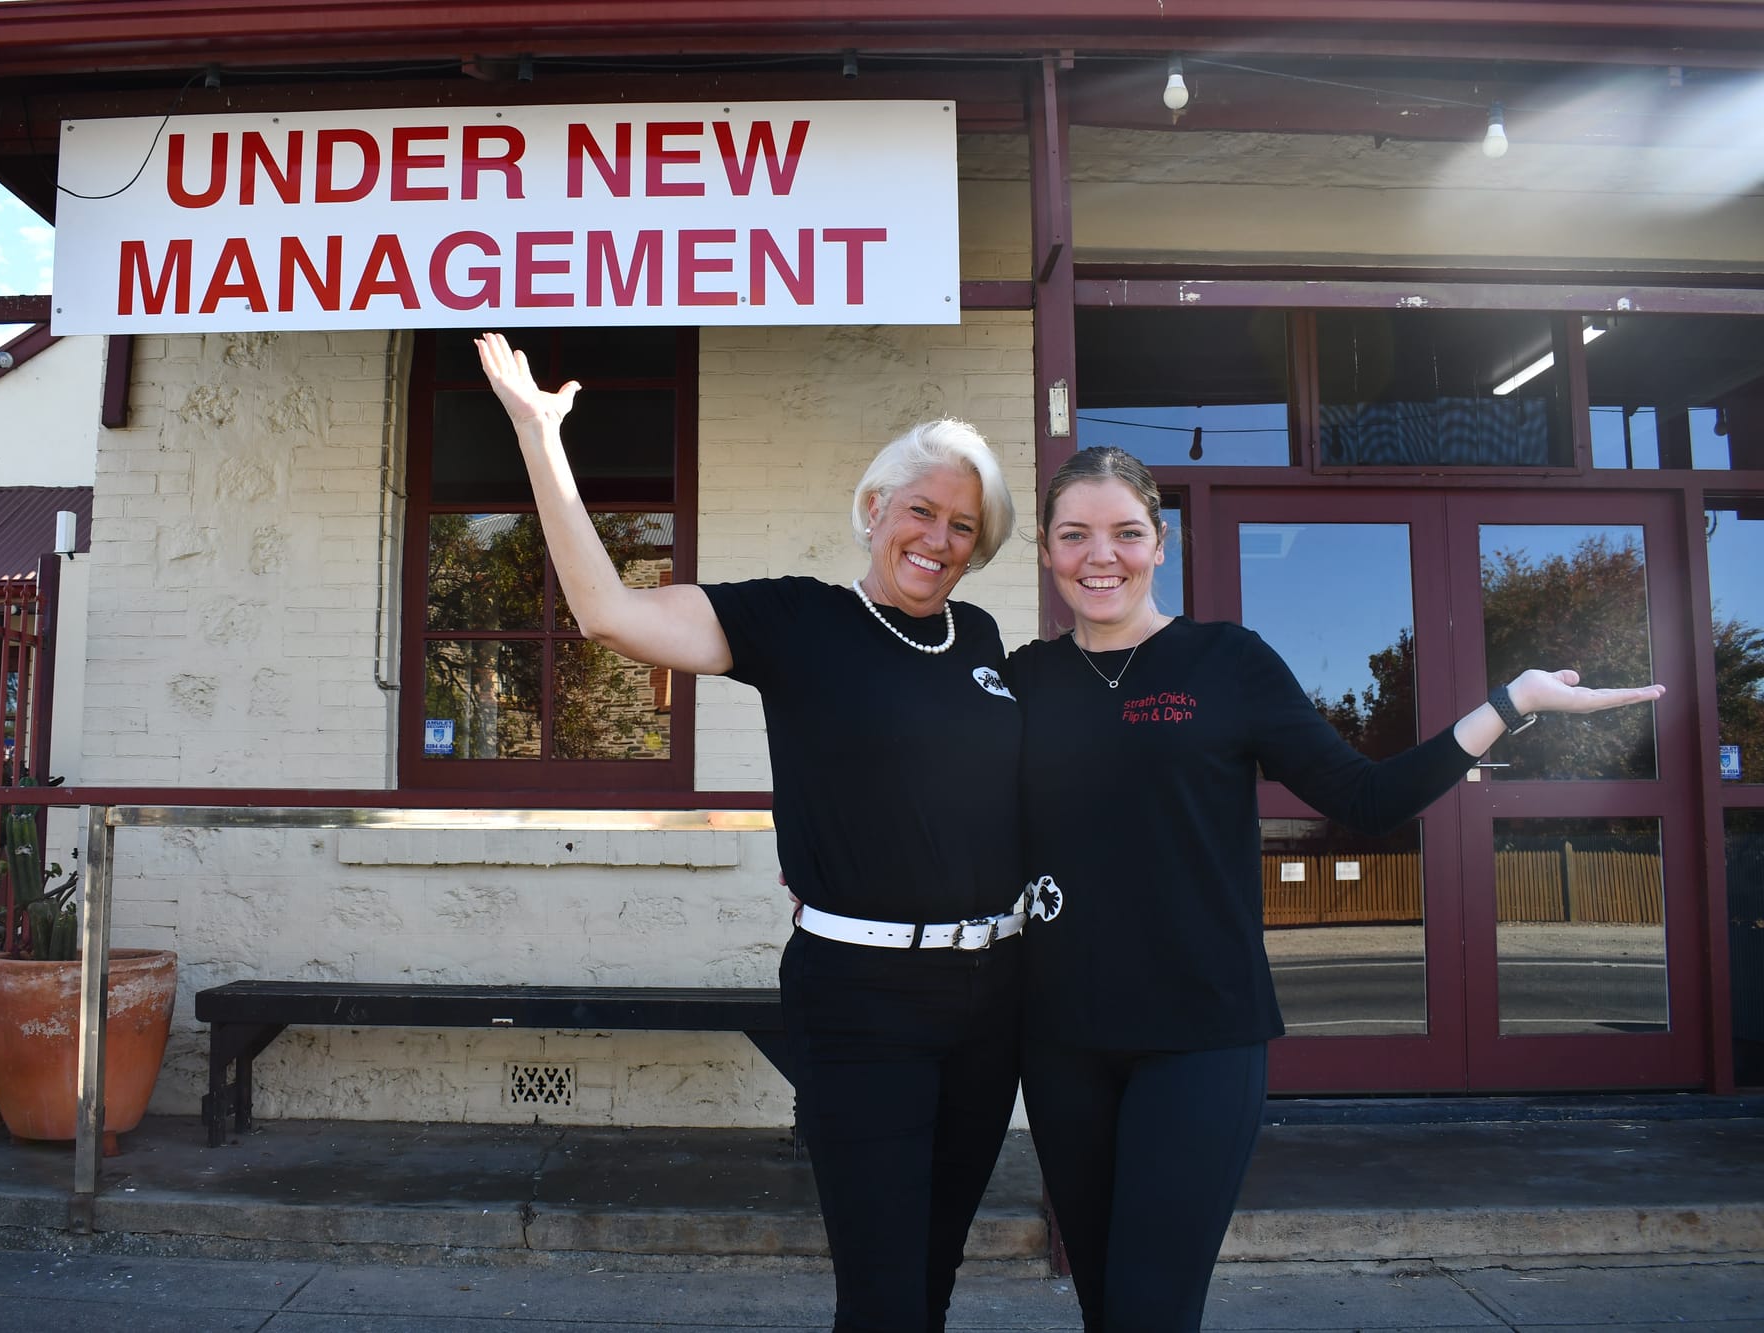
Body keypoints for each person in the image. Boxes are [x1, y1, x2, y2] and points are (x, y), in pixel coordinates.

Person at [1003, 446, 1665, 1332]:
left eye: (1126, 532)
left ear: (1160, 544)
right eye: (1074, 534)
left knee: (1150, 1310)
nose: (1101, 555)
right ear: (1046, 550)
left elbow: (1366, 795)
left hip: (1200, 1037)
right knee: (1103, 1306)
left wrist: (1510, 703)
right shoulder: (1022, 681)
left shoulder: (1226, 662)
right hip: (1060, 1045)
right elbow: (958, 817)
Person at [474, 332, 1027, 1333]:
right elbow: (605, 613)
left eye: (959, 525)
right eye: (918, 510)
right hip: (861, 1001)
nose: (936, 539)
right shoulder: (796, 622)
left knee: (934, 1276)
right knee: (882, 1295)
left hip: (990, 1000)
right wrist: (539, 435)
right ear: (872, 511)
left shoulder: (981, 641)